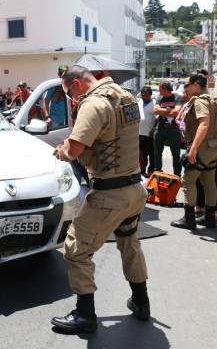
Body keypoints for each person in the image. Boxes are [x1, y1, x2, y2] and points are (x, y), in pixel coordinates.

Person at [51, 65, 150, 333]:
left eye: (69, 93)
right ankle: (141, 302)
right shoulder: (124, 95)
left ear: (76, 84)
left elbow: (74, 149)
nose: (72, 99)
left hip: (110, 194)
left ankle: (85, 315)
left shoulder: (93, 104)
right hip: (134, 189)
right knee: (129, 242)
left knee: (75, 248)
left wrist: (61, 151)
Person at [171, 72, 217, 229]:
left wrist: (192, 149)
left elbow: (204, 124)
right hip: (214, 147)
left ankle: (189, 219)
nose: (185, 89)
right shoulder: (213, 99)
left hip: (203, 148)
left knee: (188, 180)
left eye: (187, 85)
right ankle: (209, 217)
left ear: (196, 85)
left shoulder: (200, 101)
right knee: (209, 182)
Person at [153, 81, 182, 176]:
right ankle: (158, 171)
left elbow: (176, 112)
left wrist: (162, 111)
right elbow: (155, 110)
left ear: (165, 89)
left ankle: (177, 175)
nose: (158, 91)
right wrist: (168, 110)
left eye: (160, 89)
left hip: (174, 129)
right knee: (157, 151)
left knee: (176, 153)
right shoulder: (159, 97)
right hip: (161, 128)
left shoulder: (177, 97)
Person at [138, 86, 156, 176]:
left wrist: (153, 130)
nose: (144, 97)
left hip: (150, 134)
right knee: (142, 154)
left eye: (146, 96)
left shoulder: (154, 104)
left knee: (152, 154)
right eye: (143, 95)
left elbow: (157, 119)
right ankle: (142, 170)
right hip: (140, 133)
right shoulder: (139, 102)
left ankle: (151, 171)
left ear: (150, 95)